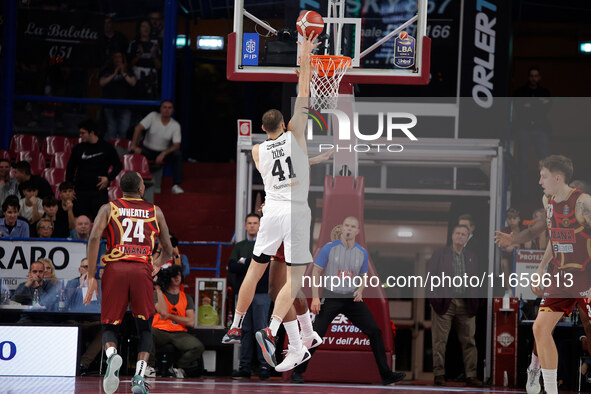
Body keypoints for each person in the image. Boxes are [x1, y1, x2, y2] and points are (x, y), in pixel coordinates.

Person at [224, 32, 319, 373]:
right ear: (285, 124)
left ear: (265, 128)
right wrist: (304, 55)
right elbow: (304, 91)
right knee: (294, 280)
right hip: (296, 210)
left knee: (255, 272)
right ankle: (273, 328)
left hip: (272, 210)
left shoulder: (257, 150)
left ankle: (236, 324)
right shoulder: (296, 135)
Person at [84, 171, 172, 394]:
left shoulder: (108, 208)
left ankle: (113, 356)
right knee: (144, 328)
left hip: (115, 268)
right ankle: (139, 378)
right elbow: (168, 250)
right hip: (141, 267)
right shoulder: (155, 211)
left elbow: (94, 237)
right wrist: (157, 264)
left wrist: (93, 275)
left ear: (121, 189)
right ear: (142, 189)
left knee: (110, 325)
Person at [291, 216, 406, 385]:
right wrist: (315, 297)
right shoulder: (328, 249)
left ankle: (386, 374)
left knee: (375, 331)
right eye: (347, 226)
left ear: (358, 231)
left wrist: (360, 290)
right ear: (342, 228)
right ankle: (297, 372)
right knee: (315, 335)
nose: (349, 229)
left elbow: (363, 275)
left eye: (353, 226)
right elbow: (316, 272)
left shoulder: (362, 252)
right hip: (330, 296)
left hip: (351, 299)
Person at [527, 155, 591, 394]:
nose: (539, 181)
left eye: (543, 176)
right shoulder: (548, 201)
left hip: (585, 274)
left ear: (557, 177)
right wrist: (541, 269)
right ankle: (551, 390)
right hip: (562, 275)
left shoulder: (584, 203)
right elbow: (554, 239)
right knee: (540, 328)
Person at [427, 224, 483, 387]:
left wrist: (476, 300)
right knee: (439, 341)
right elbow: (430, 279)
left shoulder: (472, 256)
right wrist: (434, 300)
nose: (459, 236)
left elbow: (477, 281)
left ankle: (471, 375)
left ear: (467, 238)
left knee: (469, 341)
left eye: (463, 234)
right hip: (445, 302)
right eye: (457, 233)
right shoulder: (440, 254)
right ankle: (439, 374)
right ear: (452, 236)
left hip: (466, 303)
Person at [227, 213, 272, 379]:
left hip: (261, 294)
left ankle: (265, 367)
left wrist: (244, 262)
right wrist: (251, 263)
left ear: (260, 225)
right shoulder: (239, 245)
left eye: (255, 223)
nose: (252, 225)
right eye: (249, 223)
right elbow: (232, 266)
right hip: (243, 294)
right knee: (244, 331)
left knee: (261, 330)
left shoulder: (266, 244)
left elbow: (267, 268)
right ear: (245, 226)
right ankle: (244, 367)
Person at [148, 265, 204, 378]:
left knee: (198, 346)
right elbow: (162, 313)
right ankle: (150, 367)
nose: (176, 278)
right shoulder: (158, 294)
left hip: (179, 333)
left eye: (178, 275)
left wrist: (170, 316)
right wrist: (158, 289)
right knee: (149, 333)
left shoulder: (186, 297)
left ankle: (177, 367)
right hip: (160, 330)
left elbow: (191, 321)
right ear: (169, 278)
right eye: (173, 275)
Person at [66, 119, 122, 220]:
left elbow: (118, 166)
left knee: (100, 223)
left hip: (99, 192)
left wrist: (108, 178)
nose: (80, 135)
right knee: (80, 222)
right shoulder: (78, 148)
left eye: (83, 133)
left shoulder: (107, 148)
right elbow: (70, 169)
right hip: (80, 192)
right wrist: (70, 187)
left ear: (92, 132)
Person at [513, 67, 551, 201]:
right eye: (531, 76)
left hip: (540, 129)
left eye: (536, 76)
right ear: (528, 77)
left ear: (539, 77)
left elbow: (546, 109)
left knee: (545, 163)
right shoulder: (520, 92)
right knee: (523, 161)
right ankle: (523, 193)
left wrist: (530, 105)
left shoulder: (544, 92)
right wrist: (537, 104)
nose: (534, 78)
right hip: (524, 129)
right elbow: (519, 109)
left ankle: (546, 190)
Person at [131, 100, 184, 194]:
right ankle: (131, 186)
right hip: (147, 150)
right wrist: (134, 146)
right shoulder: (153, 116)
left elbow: (176, 145)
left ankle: (176, 185)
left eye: (169, 108)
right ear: (160, 109)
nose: (167, 110)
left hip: (163, 153)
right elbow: (138, 128)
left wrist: (164, 153)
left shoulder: (175, 125)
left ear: (173, 110)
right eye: (164, 107)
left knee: (178, 154)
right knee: (132, 153)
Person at [65, 258, 102, 374]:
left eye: (89, 267)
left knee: (105, 330)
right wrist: (80, 286)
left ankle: (82, 364)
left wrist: (93, 287)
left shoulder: (101, 283)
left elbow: (103, 304)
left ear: (95, 269)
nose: (87, 270)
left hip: (94, 322)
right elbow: (66, 304)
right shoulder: (72, 283)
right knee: (65, 326)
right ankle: (67, 363)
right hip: (75, 321)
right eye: (85, 267)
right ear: (79, 269)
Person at [99, 51, 137, 140]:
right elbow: (101, 83)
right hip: (110, 106)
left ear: (123, 59)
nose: (117, 59)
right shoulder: (107, 69)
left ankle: (120, 152)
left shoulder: (128, 70)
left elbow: (133, 83)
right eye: (115, 57)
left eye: (119, 57)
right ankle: (111, 152)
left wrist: (123, 73)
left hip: (125, 106)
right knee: (111, 131)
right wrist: (114, 74)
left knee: (123, 131)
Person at [128, 19, 161, 99]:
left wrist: (153, 55)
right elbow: (129, 64)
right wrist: (139, 55)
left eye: (148, 26)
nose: (146, 29)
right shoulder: (134, 44)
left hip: (151, 81)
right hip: (137, 81)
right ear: (139, 29)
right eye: (143, 26)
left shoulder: (155, 45)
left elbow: (159, 66)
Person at [499, 208, 530, 295]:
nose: (512, 221)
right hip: (509, 257)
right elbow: (504, 245)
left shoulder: (524, 229)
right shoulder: (505, 230)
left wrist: (515, 245)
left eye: (514, 218)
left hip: (525, 257)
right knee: (504, 263)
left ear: (519, 219)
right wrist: (516, 245)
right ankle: (509, 290)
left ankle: (525, 290)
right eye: (509, 218)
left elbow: (528, 245)